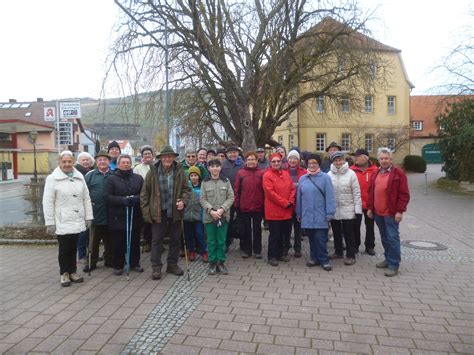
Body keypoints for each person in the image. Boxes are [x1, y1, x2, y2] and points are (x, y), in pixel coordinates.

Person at [43, 150, 93, 287]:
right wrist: (50, 222)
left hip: (77, 218)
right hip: (62, 219)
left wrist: (88, 216)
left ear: (73, 162)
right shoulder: (52, 179)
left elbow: (86, 198)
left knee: (74, 247)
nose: (66, 164)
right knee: (64, 248)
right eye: (64, 161)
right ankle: (64, 273)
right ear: (59, 162)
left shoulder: (79, 177)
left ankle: (73, 272)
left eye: (69, 161)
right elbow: (47, 202)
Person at [140, 145, 191, 280]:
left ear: (174, 158)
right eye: (165, 156)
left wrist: (183, 202)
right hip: (158, 212)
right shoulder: (153, 171)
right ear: (161, 158)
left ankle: (172, 265)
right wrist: (146, 214)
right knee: (156, 241)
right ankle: (156, 268)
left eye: (170, 156)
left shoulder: (180, 171)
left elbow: (187, 190)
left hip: (175, 211)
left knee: (175, 240)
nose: (167, 158)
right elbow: (144, 194)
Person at [367, 147, 410, 277]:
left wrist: (399, 211)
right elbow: (371, 192)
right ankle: (387, 258)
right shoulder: (376, 172)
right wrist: (370, 208)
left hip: (391, 213)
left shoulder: (398, 173)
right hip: (378, 212)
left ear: (391, 159)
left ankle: (394, 264)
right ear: (378, 159)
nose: (384, 160)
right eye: (381, 158)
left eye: (386, 158)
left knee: (392, 238)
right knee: (384, 237)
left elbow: (404, 194)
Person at [296, 153, 336, 271]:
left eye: (314, 163)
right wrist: (298, 213)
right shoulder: (303, 178)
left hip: (321, 214)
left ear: (319, 164)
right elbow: (299, 198)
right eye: (310, 163)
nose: (312, 165)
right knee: (311, 238)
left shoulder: (325, 178)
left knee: (320, 238)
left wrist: (330, 213)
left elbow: (330, 196)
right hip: (307, 214)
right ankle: (314, 258)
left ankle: (324, 260)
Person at [106, 154, 144, 275]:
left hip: (134, 214)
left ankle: (134, 263)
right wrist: (122, 200)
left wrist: (135, 199)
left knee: (134, 241)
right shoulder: (111, 179)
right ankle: (118, 265)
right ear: (118, 164)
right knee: (118, 242)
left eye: (128, 162)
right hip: (118, 216)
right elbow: (107, 197)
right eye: (123, 162)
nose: (126, 164)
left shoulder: (138, 178)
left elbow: (144, 195)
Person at [200, 158, 234, 275]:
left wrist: (221, 209)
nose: (215, 168)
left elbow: (231, 197)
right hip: (210, 218)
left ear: (220, 168)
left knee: (221, 241)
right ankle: (212, 262)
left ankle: (221, 262)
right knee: (211, 241)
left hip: (223, 216)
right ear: (208, 168)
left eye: (217, 166)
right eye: (212, 166)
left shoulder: (226, 181)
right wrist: (211, 211)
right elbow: (203, 199)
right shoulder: (205, 182)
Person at [328, 151, 362, 266]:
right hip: (335, 208)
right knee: (336, 231)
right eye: (336, 160)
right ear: (333, 162)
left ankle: (350, 255)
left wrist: (358, 210)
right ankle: (338, 252)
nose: (338, 162)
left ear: (344, 160)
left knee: (349, 233)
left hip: (348, 208)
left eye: (340, 160)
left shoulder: (351, 174)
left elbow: (357, 193)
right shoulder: (328, 174)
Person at [262, 153, 295, 266]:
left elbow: (292, 188)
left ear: (281, 162)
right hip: (274, 210)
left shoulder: (286, 174)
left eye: (278, 161)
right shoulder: (267, 175)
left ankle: (281, 254)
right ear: (270, 163)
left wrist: (290, 201)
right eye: (274, 161)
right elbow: (270, 193)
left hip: (286, 210)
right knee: (275, 235)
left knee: (284, 234)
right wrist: (285, 203)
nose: (276, 163)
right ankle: (272, 256)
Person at [84, 151, 114, 273]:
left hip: (110, 214)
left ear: (109, 162)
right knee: (93, 241)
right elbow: (85, 193)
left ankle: (110, 260)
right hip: (95, 213)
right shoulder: (90, 175)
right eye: (100, 160)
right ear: (96, 162)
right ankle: (91, 262)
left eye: (105, 160)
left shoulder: (114, 174)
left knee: (110, 240)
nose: (102, 162)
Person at [234, 151, 265, 259]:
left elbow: (264, 190)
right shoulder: (241, 173)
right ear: (246, 161)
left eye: (253, 159)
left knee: (257, 229)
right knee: (246, 229)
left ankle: (257, 250)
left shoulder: (261, 173)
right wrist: (236, 204)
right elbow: (237, 189)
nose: (251, 161)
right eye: (249, 159)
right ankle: (246, 250)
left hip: (258, 206)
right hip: (244, 206)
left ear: (257, 161)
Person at [350, 148, 378, 255]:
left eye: (358, 156)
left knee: (370, 226)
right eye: (355, 156)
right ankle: (355, 245)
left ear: (366, 158)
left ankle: (370, 246)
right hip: (356, 203)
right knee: (355, 225)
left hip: (370, 203)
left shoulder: (375, 170)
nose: (355, 158)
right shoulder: (351, 170)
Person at [221, 144, 244, 249]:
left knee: (242, 221)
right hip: (227, 197)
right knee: (227, 221)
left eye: (234, 152)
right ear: (227, 154)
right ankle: (226, 243)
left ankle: (243, 244)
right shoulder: (223, 165)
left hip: (240, 197)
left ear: (238, 153)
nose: (233, 154)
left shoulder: (243, 164)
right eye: (230, 153)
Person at [133, 145, 155, 253]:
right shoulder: (137, 168)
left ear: (152, 155)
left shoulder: (157, 166)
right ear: (142, 156)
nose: (147, 155)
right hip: (144, 197)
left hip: (156, 197)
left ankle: (155, 242)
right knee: (146, 221)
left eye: (149, 154)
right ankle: (147, 242)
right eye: (145, 154)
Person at [183, 166, 207, 262]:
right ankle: (191, 251)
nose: (193, 177)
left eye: (195, 175)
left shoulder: (202, 187)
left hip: (198, 216)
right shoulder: (186, 187)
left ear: (199, 176)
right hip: (187, 216)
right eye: (191, 175)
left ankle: (204, 252)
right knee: (188, 235)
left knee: (200, 234)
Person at [74, 152, 95, 264]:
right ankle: (81, 255)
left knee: (90, 232)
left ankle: (89, 253)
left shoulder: (91, 171)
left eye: (87, 160)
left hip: (91, 204)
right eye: (83, 160)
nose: (86, 162)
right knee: (83, 232)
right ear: (79, 161)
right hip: (81, 205)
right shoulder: (76, 172)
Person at [286, 149, 307, 258]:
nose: (293, 160)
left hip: (299, 203)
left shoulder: (304, 172)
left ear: (298, 160)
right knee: (287, 227)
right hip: (287, 204)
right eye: (291, 158)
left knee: (298, 228)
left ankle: (297, 249)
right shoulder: (284, 171)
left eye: (295, 158)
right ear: (287, 159)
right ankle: (286, 246)